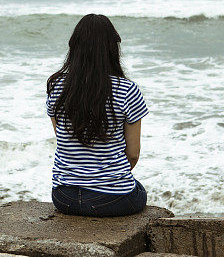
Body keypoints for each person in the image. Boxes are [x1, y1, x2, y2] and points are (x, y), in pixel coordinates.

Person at [46, 13, 149, 217]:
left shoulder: (57, 86)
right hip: (111, 199)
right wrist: (107, 182)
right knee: (139, 191)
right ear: (112, 48)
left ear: (74, 47)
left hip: (64, 197)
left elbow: (63, 140)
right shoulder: (127, 90)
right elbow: (133, 154)